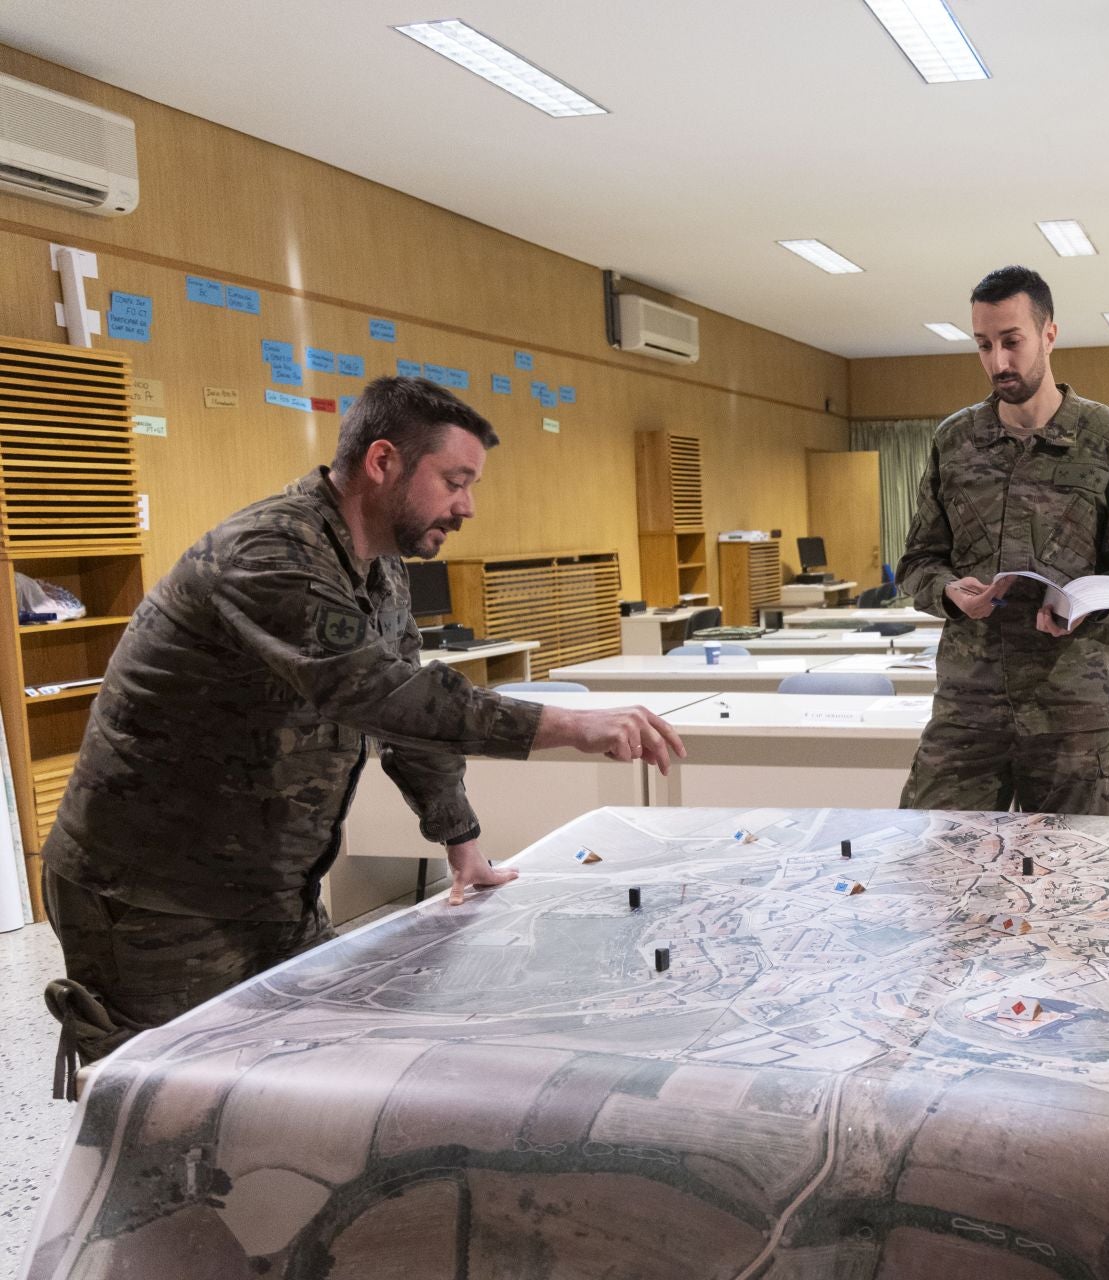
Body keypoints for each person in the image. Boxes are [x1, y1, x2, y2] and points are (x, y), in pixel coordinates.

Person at [40, 377, 686, 1077]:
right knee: (172, 1108)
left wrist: (460, 841)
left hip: (269, 884)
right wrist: (568, 725)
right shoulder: (268, 553)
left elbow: (410, 713)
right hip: (150, 893)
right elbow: (379, 694)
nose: (467, 506)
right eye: (454, 481)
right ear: (383, 463)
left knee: (295, 1082)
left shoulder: (379, 567)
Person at [896, 266, 1109, 815]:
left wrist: (1084, 608)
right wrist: (951, 593)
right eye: (983, 345)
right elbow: (918, 562)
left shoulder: (1107, 437)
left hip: (1071, 711)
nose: (998, 362)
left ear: (1049, 333)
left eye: (1011, 341)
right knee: (938, 876)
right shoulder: (955, 441)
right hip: (968, 710)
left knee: (1076, 887)